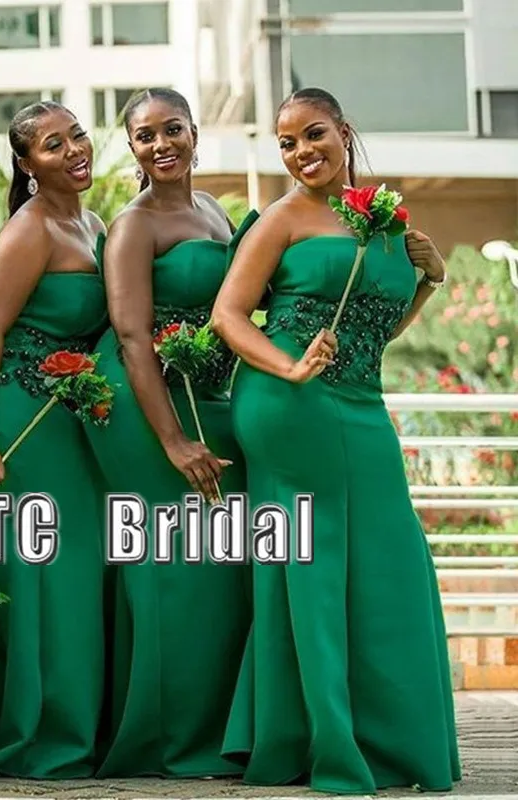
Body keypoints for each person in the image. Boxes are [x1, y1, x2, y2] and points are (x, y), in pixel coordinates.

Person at [210, 87, 461, 794]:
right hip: (287, 400)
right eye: (287, 143)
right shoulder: (281, 218)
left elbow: (374, 328)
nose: (302, 153)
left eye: (313, 134)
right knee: (315, 564)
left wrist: (428, 283)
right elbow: (229, 315)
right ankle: (325, 741)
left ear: (344, 132)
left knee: (390, 559)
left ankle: (390, 741)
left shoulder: (381, 218)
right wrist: (289, 366)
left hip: (361, 401)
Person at [83, 87, 254, 778]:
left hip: (202, 391)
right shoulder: (133, 225)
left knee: (216, 562)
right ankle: (163, 740)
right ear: (132, 147)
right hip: (139, 400)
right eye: (146, 135)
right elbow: (130, 337)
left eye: (172, 129)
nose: (161, 145)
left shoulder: (211, 208)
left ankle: (211, 727)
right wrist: (174, 441)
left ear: (193, 133)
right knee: (173, 565)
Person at [0, 101, 110, 779]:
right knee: (51, 568)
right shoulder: (31, 229)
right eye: (52, 144)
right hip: (18, 413)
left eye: (77, 136)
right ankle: (36, 733)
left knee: (76, 567)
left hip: (64, 412)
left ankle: (74, 725)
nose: (73, 150)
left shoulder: (91, 223)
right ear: (27, 163)